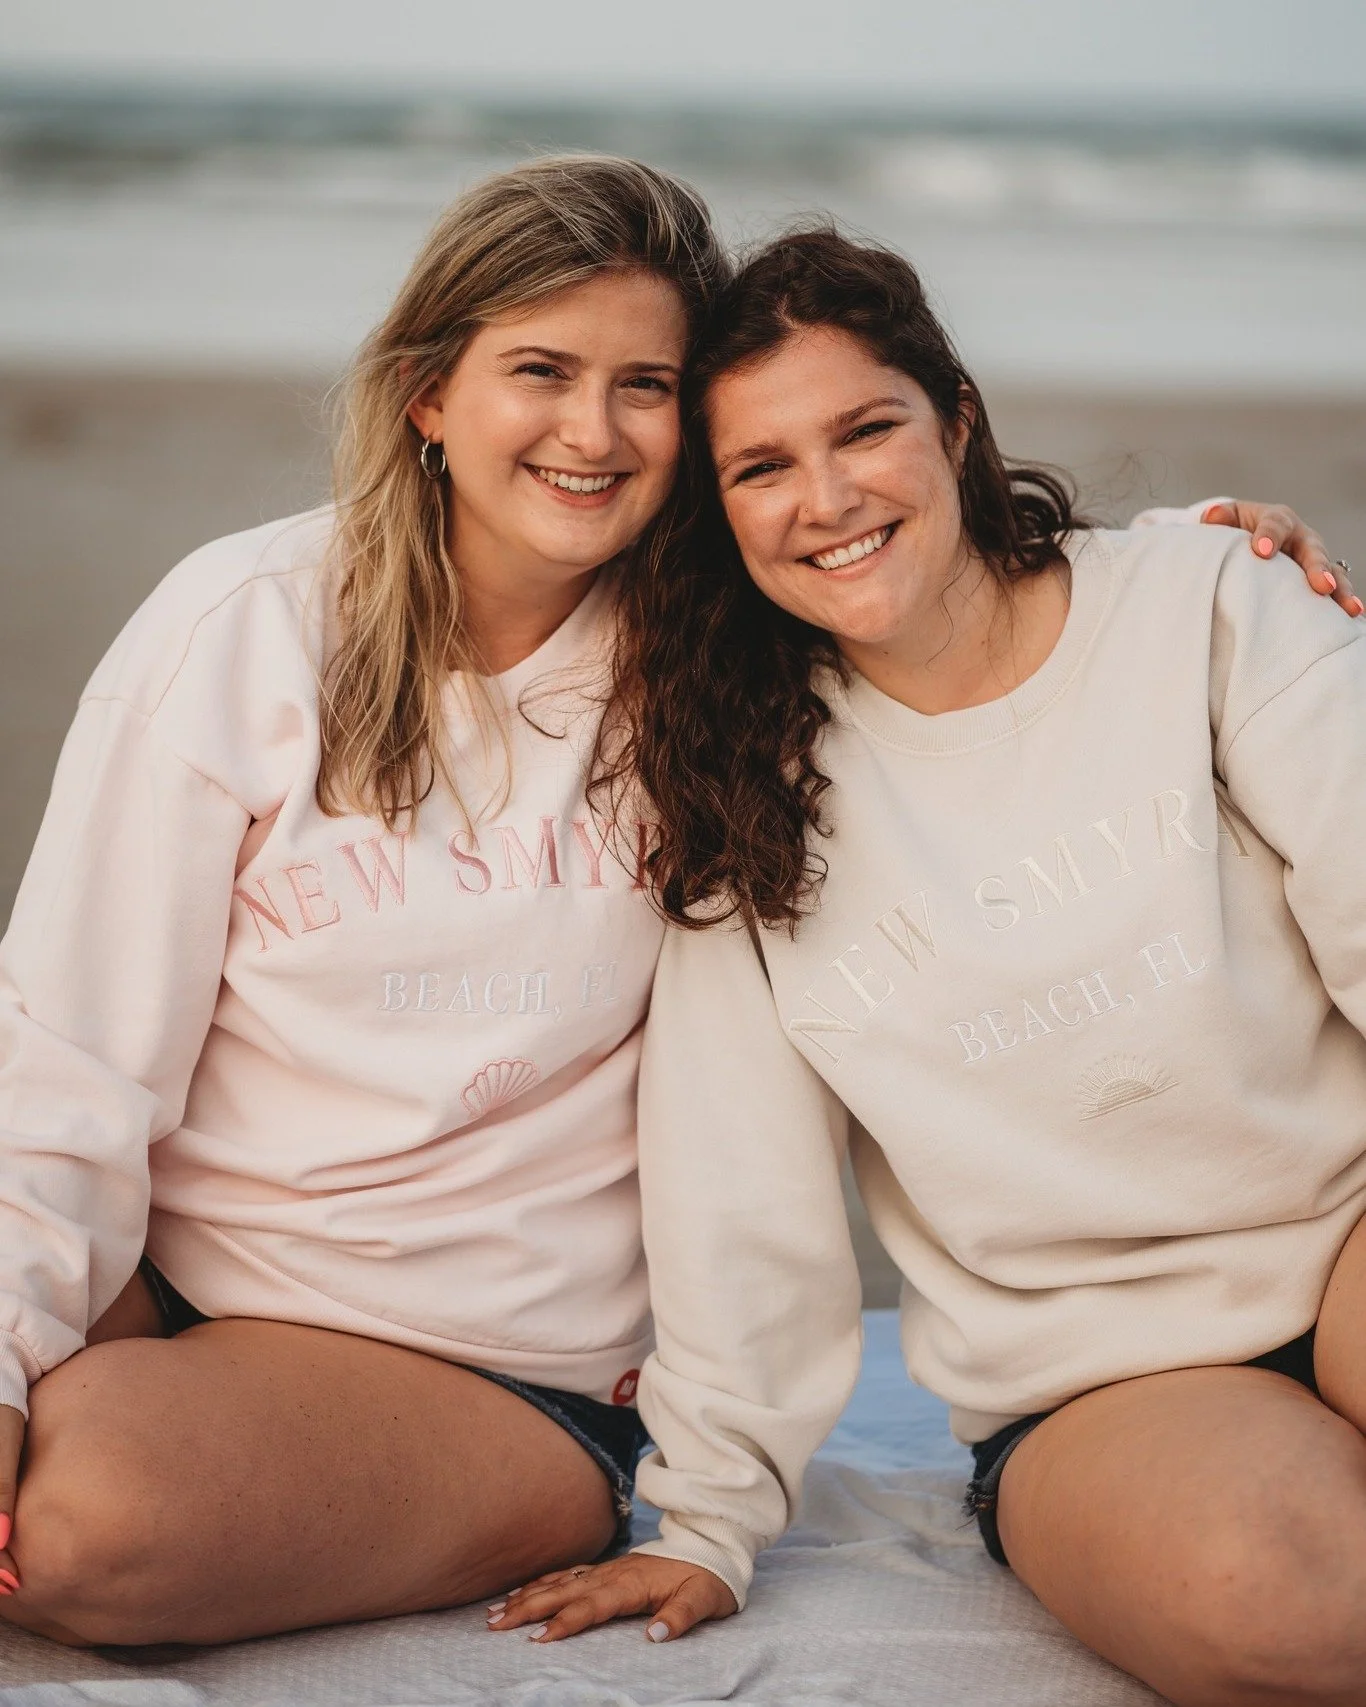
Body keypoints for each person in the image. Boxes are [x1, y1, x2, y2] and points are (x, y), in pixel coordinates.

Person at [0, 155, 1338, 1651]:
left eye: (643, 383)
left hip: (491, 1367)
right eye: (539, 371)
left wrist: (1200, 557)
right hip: (179, 1291)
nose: (592, 428)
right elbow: (69, 1059)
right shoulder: (244, 630)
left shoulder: (715, 686)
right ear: (430, 393)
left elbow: (982, 627)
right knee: (58, 1452)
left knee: (83, 1515)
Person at [487, 229, 1366, 1707]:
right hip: (1096, 1376)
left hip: (1346, 1230)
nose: (826, 500)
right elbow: (736, 1187)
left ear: (952, 418)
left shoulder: (1207, 603)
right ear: (718, 510)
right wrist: (707, 1512)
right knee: (1294, 1608)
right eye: (760, 468)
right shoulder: (740, 792)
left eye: (864, 429)